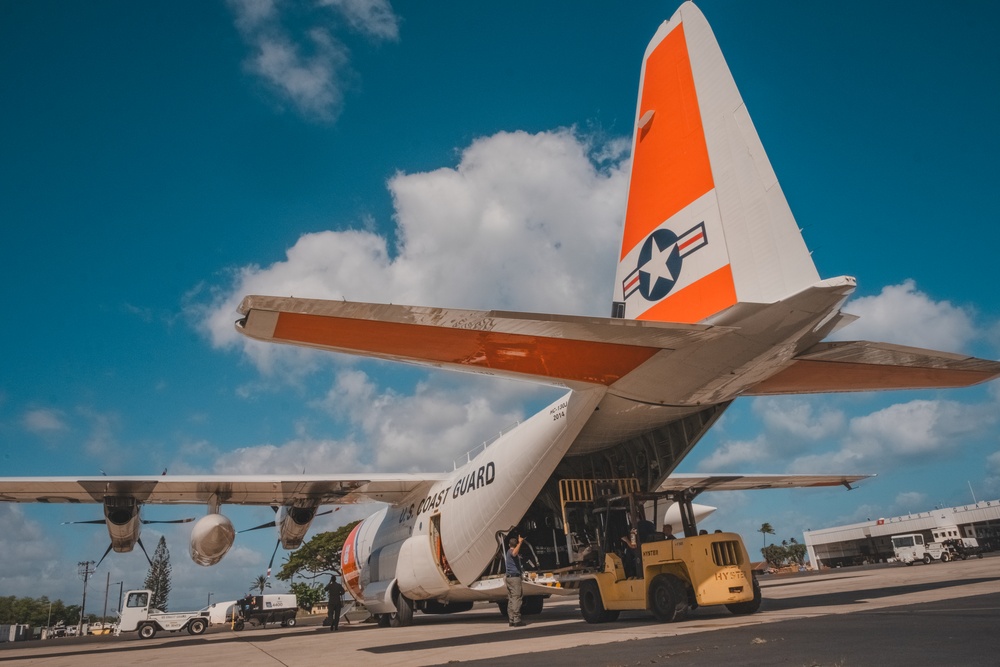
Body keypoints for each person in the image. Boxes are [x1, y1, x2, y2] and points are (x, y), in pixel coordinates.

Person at [505, 535, 526, 627]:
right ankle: (517, 619)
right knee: (517, 598)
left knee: (511, 599)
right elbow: (514, 553)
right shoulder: (511, 552)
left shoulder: (507, 551)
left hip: (509, 578)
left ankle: (511, 619)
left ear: (509, 544)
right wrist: (520, 542)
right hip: (514, 578)